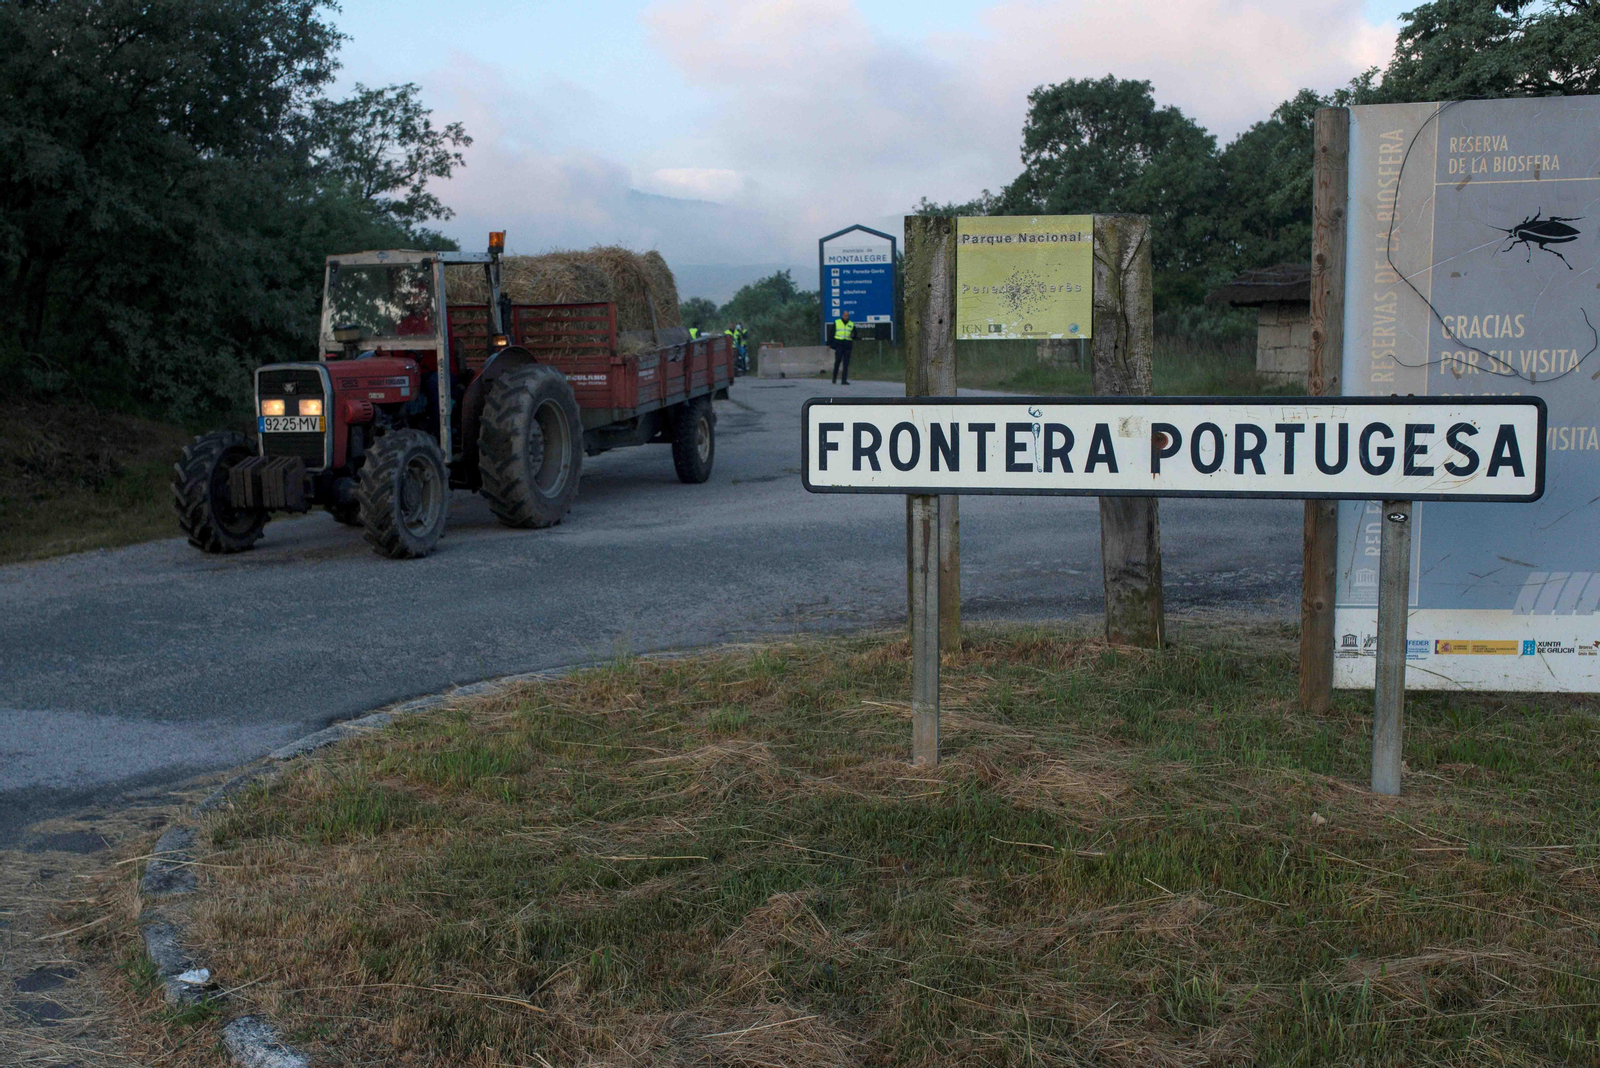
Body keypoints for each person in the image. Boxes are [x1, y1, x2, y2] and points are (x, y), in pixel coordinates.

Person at [830, 310, 854, 385]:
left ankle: (844, 380)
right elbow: (832, 333)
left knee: (846, 364)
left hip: (847, 345)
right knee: (837, 362)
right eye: (845, 315)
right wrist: (830, 344)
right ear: (842, 315)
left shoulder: (851, 324)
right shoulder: (837, 322)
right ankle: (834, 378)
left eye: (848, 316)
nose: (846, 317)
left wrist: (853, 336)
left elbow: (854, 334)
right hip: (839, 345)